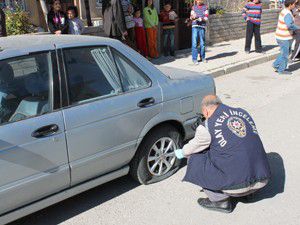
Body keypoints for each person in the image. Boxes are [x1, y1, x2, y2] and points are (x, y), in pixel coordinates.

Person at [175, 95, 271, 213]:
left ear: (205, 110)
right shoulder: (243, 113)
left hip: (239, 186)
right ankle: (248, 194)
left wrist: (181, 152)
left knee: (194, 158)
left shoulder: (207, 125)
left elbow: (193, 147)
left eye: (204, 114)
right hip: (261, 179)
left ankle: (220, 201)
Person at [273, 0, 300, 75]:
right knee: (285, 54)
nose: (295, 5)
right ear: (290, 4)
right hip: (284, 37)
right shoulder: (287, 13)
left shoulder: (284, 10)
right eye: (294, 4)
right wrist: (298, 27)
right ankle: (281, 70)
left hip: (281, 36)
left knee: (285, 52)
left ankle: (276, 64)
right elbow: (289, 25)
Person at [190, 0, 209, 65]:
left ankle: (203, 58)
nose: (198, 1)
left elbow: (206, 17)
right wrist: (193, 17)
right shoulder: (193, 7)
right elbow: (191, 17)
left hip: (202, 27)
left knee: (202, 44)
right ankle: (194, 59)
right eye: (197, 0)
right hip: (195, 26)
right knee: (194, 43)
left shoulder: (205, 7)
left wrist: (201, 19)